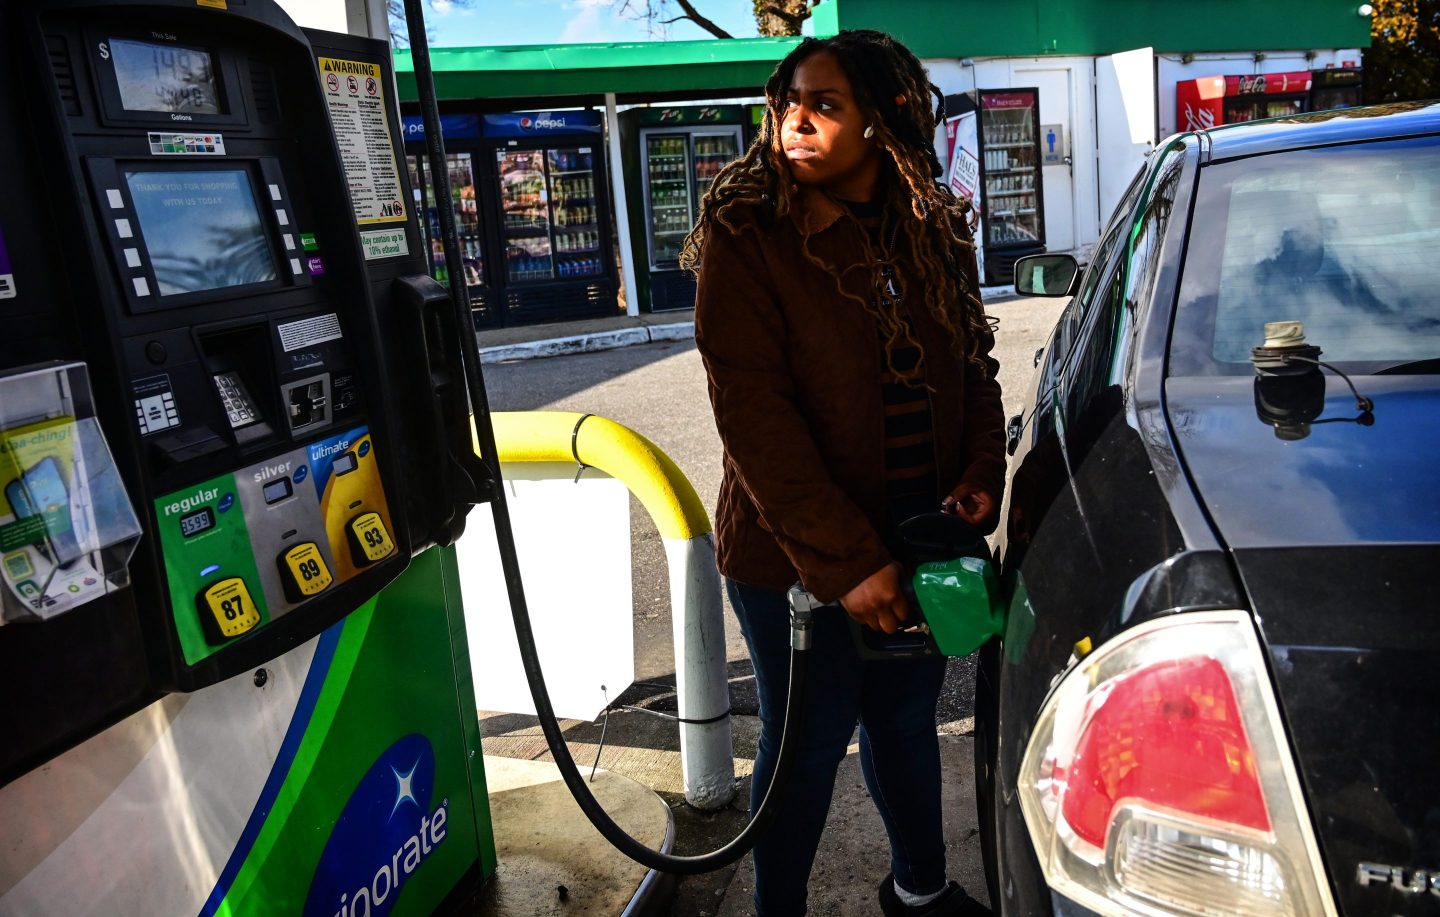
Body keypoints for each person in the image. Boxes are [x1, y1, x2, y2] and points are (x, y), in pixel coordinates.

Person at [682, 29, 1005, 917]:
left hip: (919, 531)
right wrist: (847, 562)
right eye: (788, 101)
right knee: (806, 741)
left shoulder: (935, 228)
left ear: (884, 118)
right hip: (798, 552)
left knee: (905, 722)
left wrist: (982, 468)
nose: (795, 120)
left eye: (824, 103)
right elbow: (754, 418)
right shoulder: (748, 237)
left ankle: (921, 892)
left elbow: (976, 367)